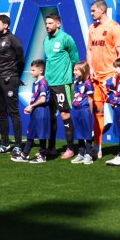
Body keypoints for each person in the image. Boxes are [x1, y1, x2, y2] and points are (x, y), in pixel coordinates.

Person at [87, 0, 120, 152]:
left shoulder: (115, 28)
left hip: (111, 78)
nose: (91, 13)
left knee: (119, 111)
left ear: (102, 10)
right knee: (97, 112)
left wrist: (116, 74)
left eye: (93, 11)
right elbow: (89, 50)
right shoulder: (92, 28)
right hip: (96, 78)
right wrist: (90, 68)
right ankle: (98, 146)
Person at [42, 12, 80, 158]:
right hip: (48, 84)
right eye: (46, 23)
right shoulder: (46, 40)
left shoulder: (66, 38)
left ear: (58, 23)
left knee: (64, 114)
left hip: (62, 83)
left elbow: (75, 58)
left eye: (50, 23)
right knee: (50, 115)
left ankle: (70, 148)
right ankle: (51, 148)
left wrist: (70, 77)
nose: (47, 26)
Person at [0, 14, 25, 153]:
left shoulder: (13, 39)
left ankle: (18, 145)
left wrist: (15, 76)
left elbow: (21, 59)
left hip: (9, 79)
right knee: (1, 112)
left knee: (13, 112)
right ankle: (4, 143)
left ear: (5, 25)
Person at [13, 59, 51, 164]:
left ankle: (42, 156)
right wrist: (31, 107)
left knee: (41, 134)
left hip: (42, 111)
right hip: (36, 111)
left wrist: (32, 106)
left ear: (41, 70)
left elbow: (43, 99)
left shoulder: (43, 83)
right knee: (30, 133)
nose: (31, 72)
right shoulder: (36, 82)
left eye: (33, 70)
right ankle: (25, 154)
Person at [69, 62, 96, 165]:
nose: (74, 72)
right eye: (74, 70)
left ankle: (89, 154)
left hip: (85, 110)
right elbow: (76, 94)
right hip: (76, 110)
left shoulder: (88, 83)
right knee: (79, 132)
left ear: (83, 71)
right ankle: (80, 154)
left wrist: (90, 111)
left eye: (76, 70)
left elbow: (90, 100)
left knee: (87, 132)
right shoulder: (76, 81)